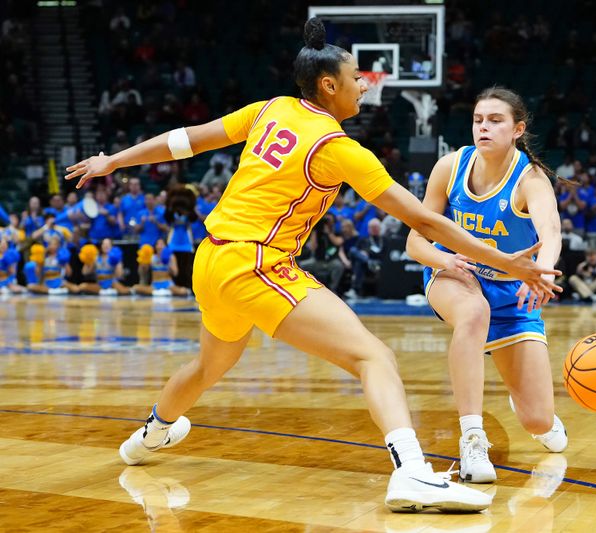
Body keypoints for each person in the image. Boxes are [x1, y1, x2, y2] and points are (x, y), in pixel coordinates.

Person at [65, 18, 560, 513]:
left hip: (211, 259)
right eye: (355, 77)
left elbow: (186, 140)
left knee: (210, 364)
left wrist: (114, 161)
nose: (365, 83)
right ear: (329, 85)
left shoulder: (271, 110)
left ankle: (149, 436)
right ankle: (412, 473)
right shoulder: (338, 148)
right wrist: (508, 264)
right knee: (374, 358)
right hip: (255, 263)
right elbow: (423, 222)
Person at [406, 87, 567, 487]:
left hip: (514, 291)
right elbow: (415, 241)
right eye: (479, 119)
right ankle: (472, 438)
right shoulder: (450, 166)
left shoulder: (530, 178)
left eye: (495, 120)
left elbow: (551, 230)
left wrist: (543, 270)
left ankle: (526, 401)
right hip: (456, 274)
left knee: (538, 420)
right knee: (474, 312)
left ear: (518, 129)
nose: (484, 127)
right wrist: (445, 260)